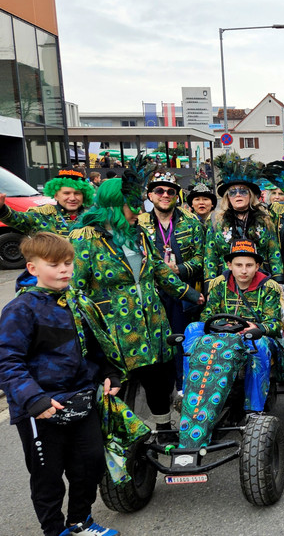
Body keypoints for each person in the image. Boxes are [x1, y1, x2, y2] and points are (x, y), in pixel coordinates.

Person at [0, 232, 121, 536]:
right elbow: (4, 362)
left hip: (81, 400)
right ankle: (54, 530)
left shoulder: (77, 300)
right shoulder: (20, 309)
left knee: (90, 464)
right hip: (41, 408)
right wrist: (34, 400)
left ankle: (79, 522)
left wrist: (110, 373)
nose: (64, 270)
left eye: (68, 263)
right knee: (47, 476)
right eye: (54, 264)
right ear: (33, 268)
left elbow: (96, 345)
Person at [69, 175, 203, 443]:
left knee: (159, 377)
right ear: (116, 205)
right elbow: (76, 289)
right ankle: (124, 438)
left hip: (152, 320)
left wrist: (189, 293)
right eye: (133, 204)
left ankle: (164, 429)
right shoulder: (85, 238)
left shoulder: (138, 234)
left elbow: (158, 269)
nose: (140, 210)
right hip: (117, 325)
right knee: (120, 383)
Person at [186, 239, 284, 413]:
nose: (244, 270)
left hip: (253, 338)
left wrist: (257, 328)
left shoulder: (269, 287)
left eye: (249, 265)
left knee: (259, 345)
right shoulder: (218, 285)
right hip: (222, 336)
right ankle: (190, 396)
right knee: (192, 329)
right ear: (229, 265)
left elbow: (275, 325)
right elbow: (206, 316)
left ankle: (254, 409)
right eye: (239, 265)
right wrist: (224, 326)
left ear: (257, 266)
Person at [137, 171, 205, 335]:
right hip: (150, 295)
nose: (165, 195)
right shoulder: (139, 223)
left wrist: (179, 269)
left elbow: (202, 256)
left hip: (184, 295)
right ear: (150, 196)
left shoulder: (191, 222)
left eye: (171, 192)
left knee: (183, 341)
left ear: (176, 196)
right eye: (159, 191)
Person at [204, 154, 283, 287]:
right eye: (233, 192)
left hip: (261, 284)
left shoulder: (265, 219)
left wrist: (279, 283)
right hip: (226, 285)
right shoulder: (217, 221)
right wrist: (209, 286)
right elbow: (210, 256)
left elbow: (274, 252)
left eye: (243, 191)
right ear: (228, 197)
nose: (238, 195)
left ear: (251, 195)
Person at [0, 168, 95, 238]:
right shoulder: (42, 214)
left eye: (77, 193)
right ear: (56, 195)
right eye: (66, 193)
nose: (72, 198)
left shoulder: (94, 216)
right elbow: (18, 220)